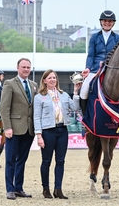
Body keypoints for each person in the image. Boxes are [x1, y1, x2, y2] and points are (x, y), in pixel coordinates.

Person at [33, 69, 80, 199]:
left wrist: (75, 92)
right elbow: (36, 117)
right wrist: (39, 135)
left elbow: (75, 108)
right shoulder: (39, 97)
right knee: (46, 161)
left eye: (54, 77)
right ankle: (46, 189)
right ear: (44, 80)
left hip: (62, 130)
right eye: (49, 78)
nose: (52, 80)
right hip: (48, 131)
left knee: (60, 161)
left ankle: (58, 189)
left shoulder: (64, 95)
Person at [80, 10, 119, 113]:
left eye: (110, 21)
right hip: (96, 69)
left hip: (113, 69)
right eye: (105, 20)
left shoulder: (118, 38)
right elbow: (91, 55)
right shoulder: (94, 37)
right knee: (84, 90)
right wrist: (88, 68)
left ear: (113, 23)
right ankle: (85, 116)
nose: (107, 23)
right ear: (101, 22)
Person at [0, 58, 38, 200]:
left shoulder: (34, 85)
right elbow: (4, 107)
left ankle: (18, 188)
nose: (26, 69)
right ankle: (9, 189)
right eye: (23, 67)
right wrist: (7, 127)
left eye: (28, 67)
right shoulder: (9, 84)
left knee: (22, 160)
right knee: (10, 159)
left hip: (29, 130)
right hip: (14, 129)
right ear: (17, 68)